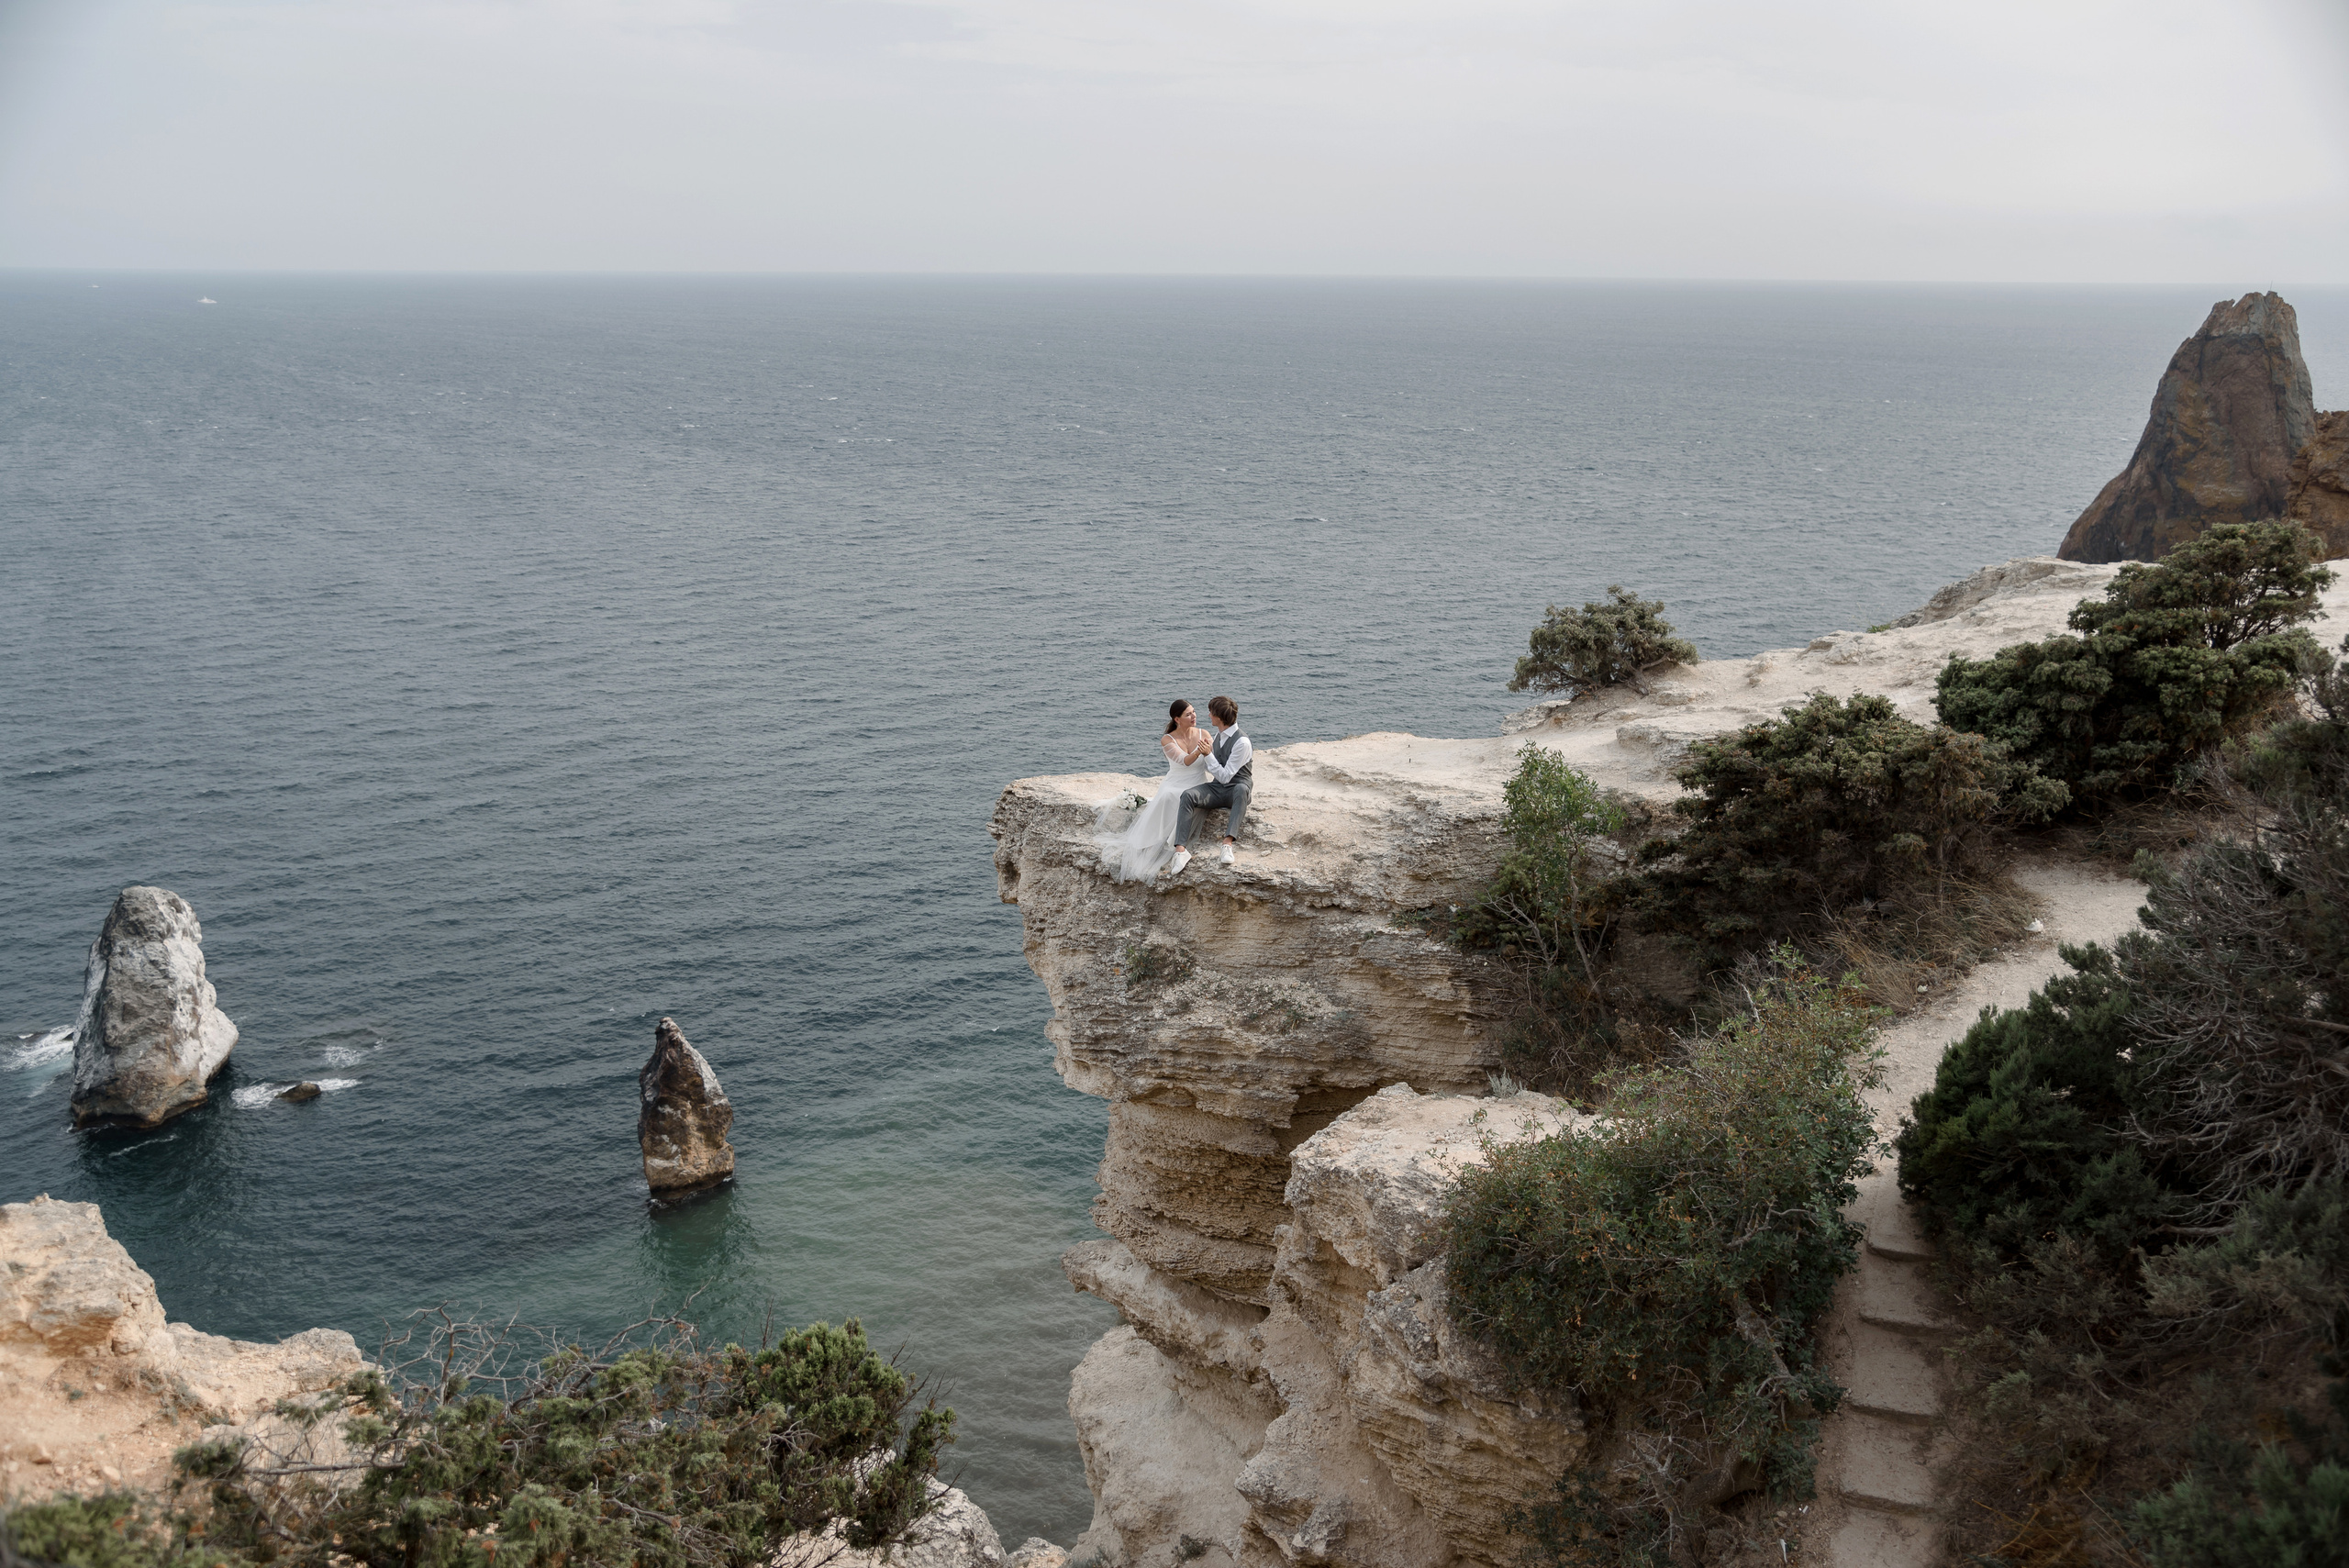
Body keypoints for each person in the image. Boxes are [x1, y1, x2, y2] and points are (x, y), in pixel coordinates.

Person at [1103, 699, 1214, 882]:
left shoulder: (1204, 733)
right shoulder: (1167, 739)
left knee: (1186, 798)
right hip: (1175, 781)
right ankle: (1157, 841)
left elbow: (1212, 761)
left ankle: (1175, 844)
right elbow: (1184, 761)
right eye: (1188, 714)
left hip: (1196, 781)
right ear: (1177, 719)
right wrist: (1200, 751)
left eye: (1194, 712)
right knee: (1170, 795)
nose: (1194, 716)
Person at [1172, 695, 1251, 872]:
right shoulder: (1219, 736)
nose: (1208, 716)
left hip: (1235, 789)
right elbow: (1214, 771)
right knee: (1188, 795)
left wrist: (1208, 755)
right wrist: (1202, 752)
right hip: (1217, 788)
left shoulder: (1242, 742)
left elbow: (1226, 777)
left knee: (1241, 789)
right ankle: (1181, 850)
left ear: (1219, 718)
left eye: (1211, 713)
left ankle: (1227, 844)